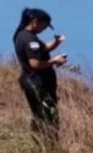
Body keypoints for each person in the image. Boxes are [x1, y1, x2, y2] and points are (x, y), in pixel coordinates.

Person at [13, 8, 67, 141]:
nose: (44, 29)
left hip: (30, 81)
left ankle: (39, 143)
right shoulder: (30, 40)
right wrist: (54, 61)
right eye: (44, 26)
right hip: (38, 83)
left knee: (38, 115)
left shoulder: (22, 35)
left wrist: (56, 42)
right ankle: (49, 146)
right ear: (35, 22)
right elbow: (35, 63)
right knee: (48, 117)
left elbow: (42, 48)